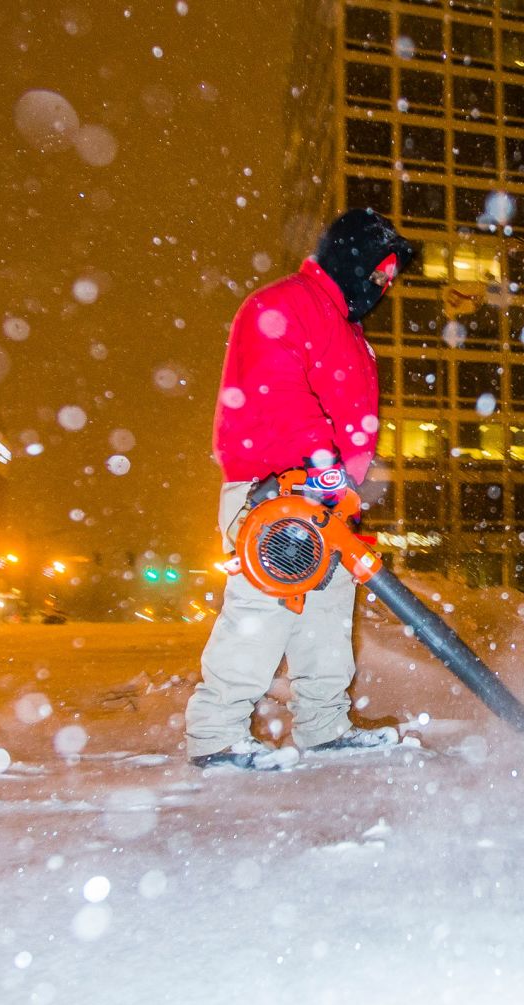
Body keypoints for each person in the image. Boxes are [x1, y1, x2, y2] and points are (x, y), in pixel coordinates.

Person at [183, 209, 416, 770]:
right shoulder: (282, 305)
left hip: (327, 499)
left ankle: (324, 726)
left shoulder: (348, 330)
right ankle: (215, 735)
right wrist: (321, 462)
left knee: (327, 616)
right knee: (263, 609)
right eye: (379, 276)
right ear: (353, 261)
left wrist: (345, 484)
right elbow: (276, 390)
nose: (382, 289)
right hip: (278, 490)